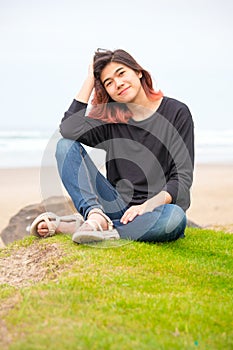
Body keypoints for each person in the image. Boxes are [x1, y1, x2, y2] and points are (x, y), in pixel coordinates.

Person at [30, 48, 194, 244]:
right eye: (108, 82)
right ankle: (95, 216)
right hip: (114, 203)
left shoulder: (176, 112)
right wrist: (90, 78)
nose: (118, 84)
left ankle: (103, 228)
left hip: (156, 209)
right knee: (65, 146)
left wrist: (147, 206)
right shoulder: (111, 120)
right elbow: (68, 130)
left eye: (121, 73)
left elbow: (182, 178)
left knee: (175, 219)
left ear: (138, 71)